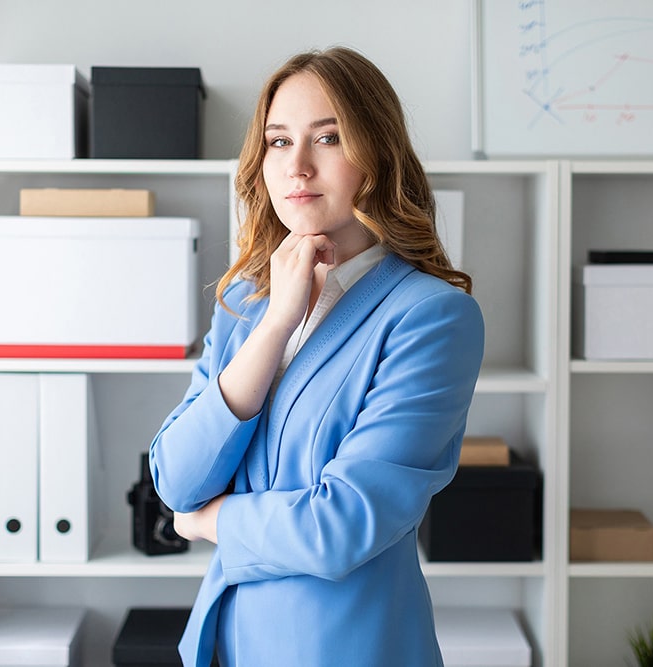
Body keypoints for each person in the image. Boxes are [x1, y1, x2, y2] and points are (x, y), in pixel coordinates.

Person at [149, 46, 484, 667]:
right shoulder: (246, 301)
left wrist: (207, 523)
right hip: (226, 640)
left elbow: (340, 526)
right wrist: (277, 320)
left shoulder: (431, 317)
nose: (297, 166)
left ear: (376, 157)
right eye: (279, 142)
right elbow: (175, 478)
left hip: (345, 645)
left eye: (327, 138)